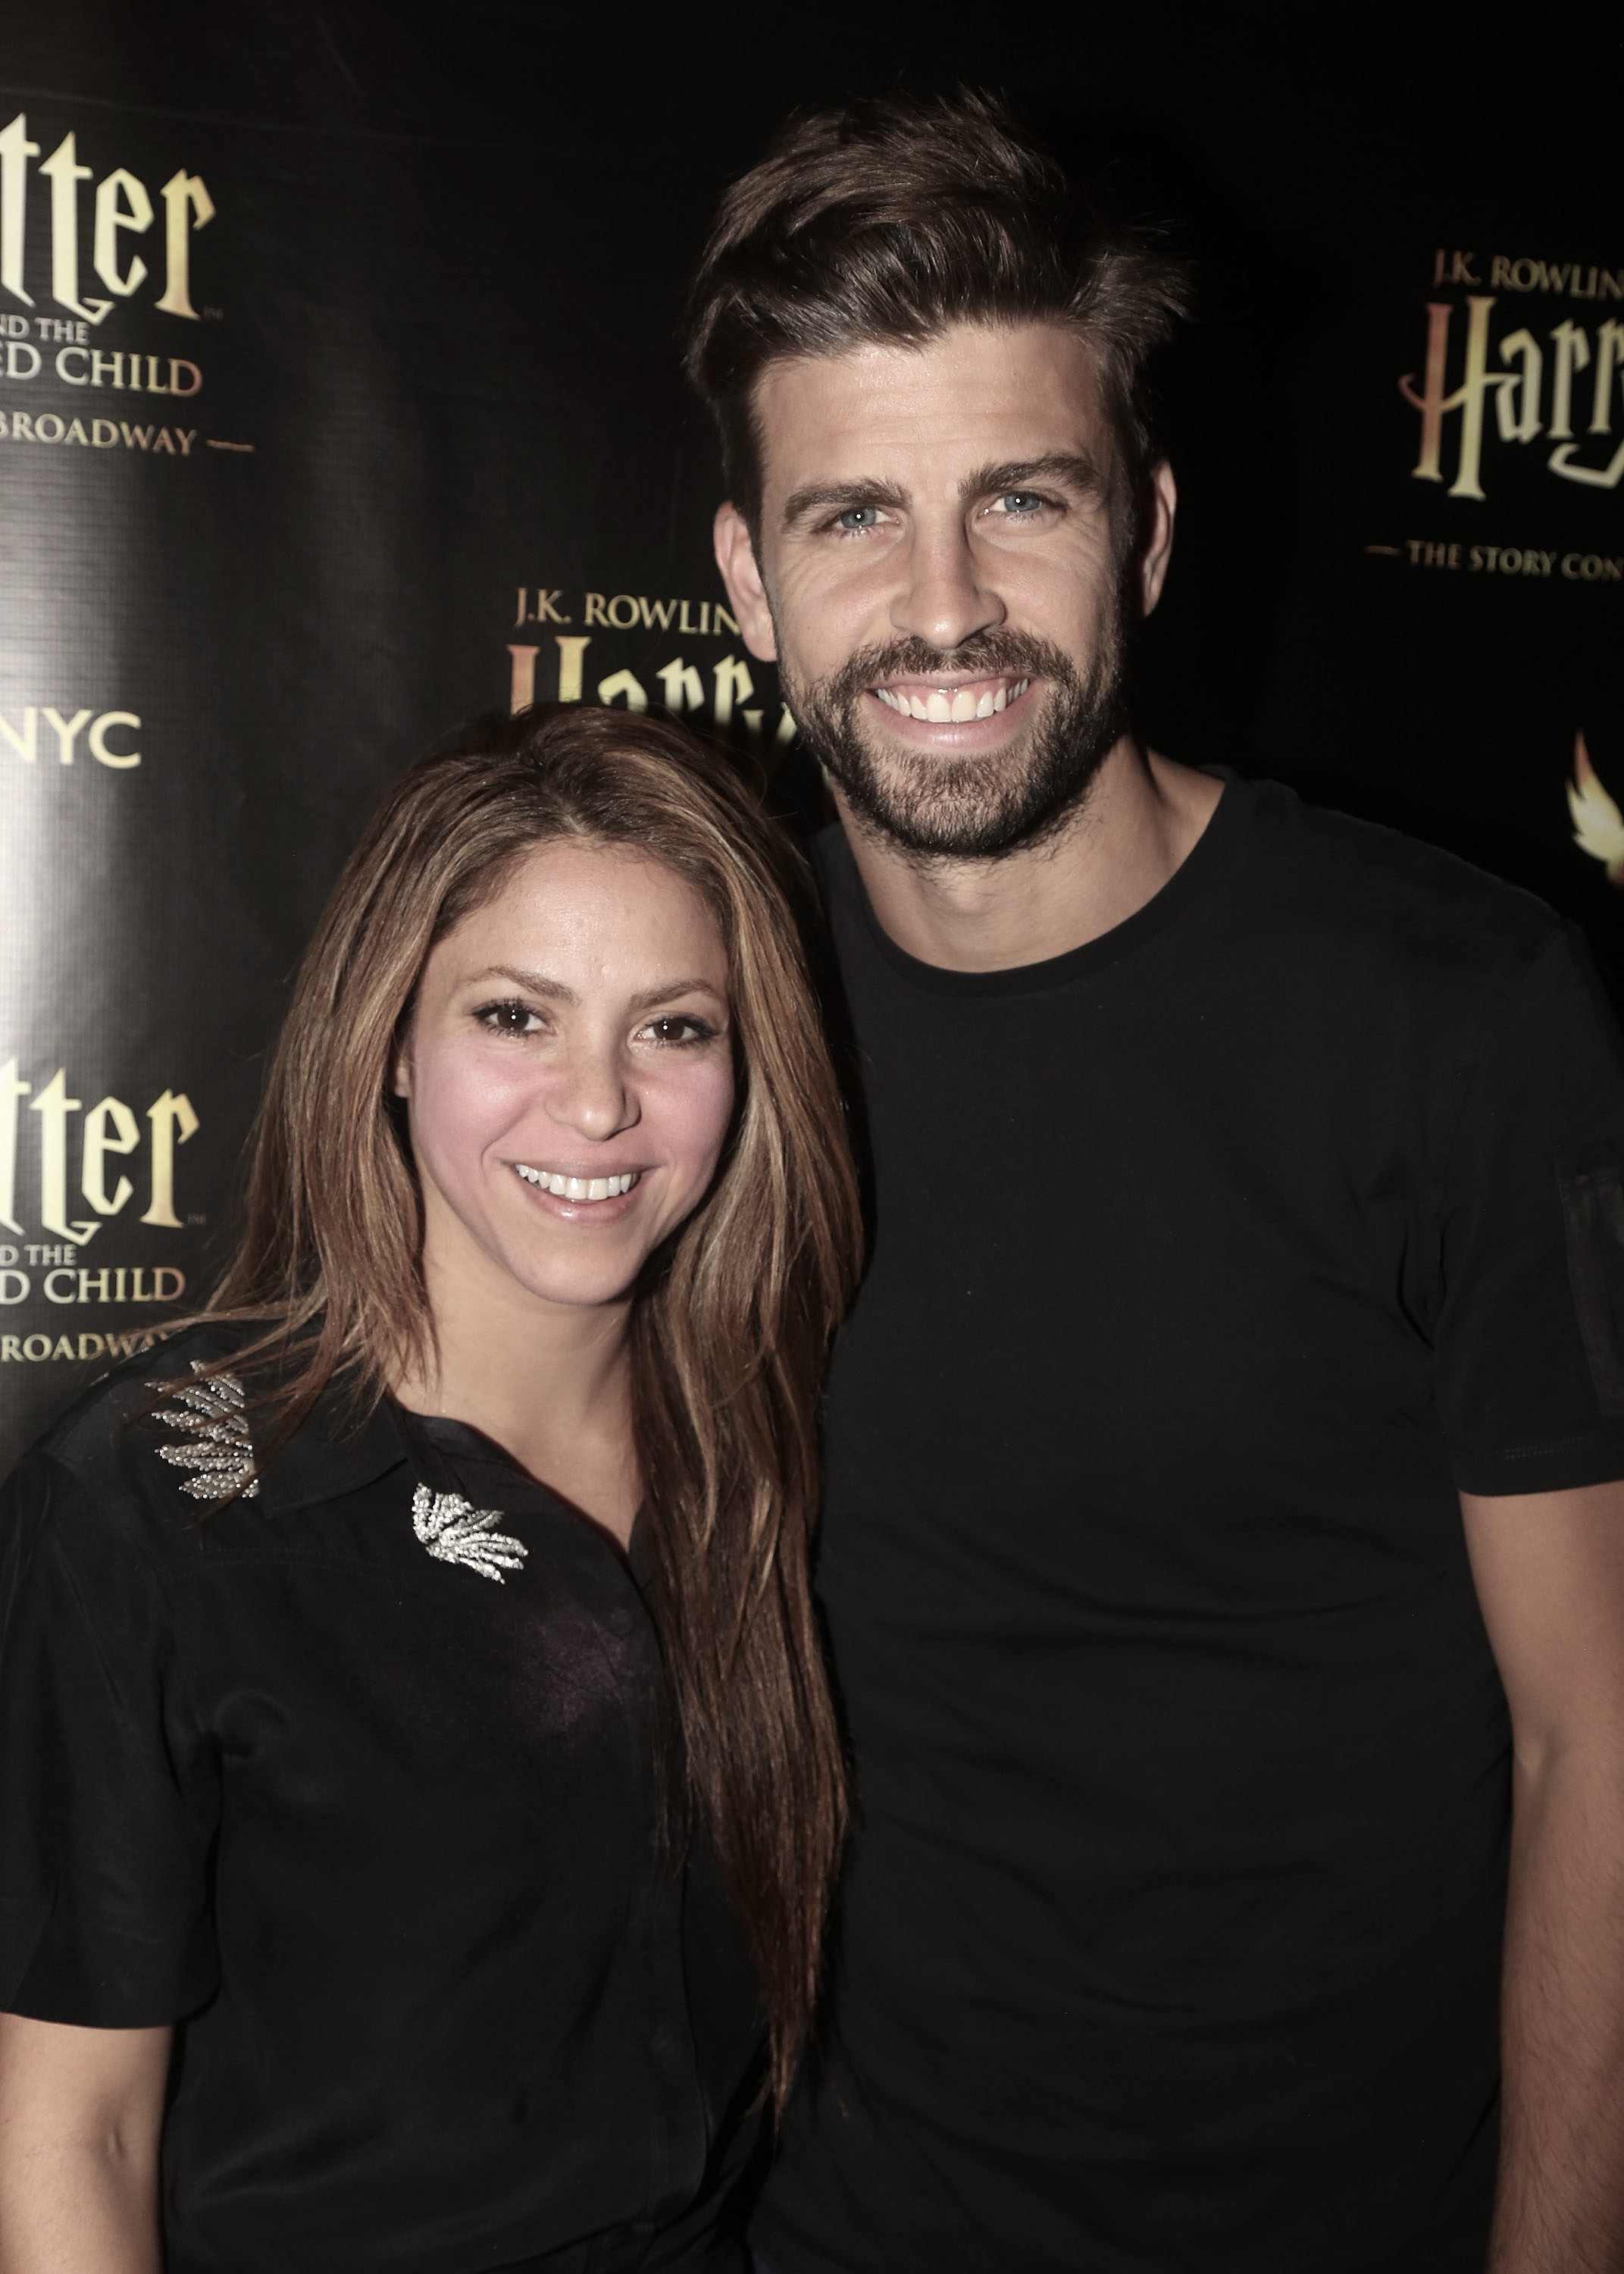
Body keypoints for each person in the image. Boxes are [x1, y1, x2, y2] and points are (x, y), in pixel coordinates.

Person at [681, 89, 1624, 2274]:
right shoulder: (702, 1025)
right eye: (849, 518)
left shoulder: (1459, 1012)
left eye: (1023, 501)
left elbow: (1603, 1737)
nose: (942, 608)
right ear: (746, 581)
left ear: (1152, 533)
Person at [0, 704, 861, 2274]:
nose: (597, 1105)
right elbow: (76, 2135)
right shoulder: (159, 1503)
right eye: (515, 1018)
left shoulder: (773, 1454)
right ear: (390, 1040)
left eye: (675, 1026)